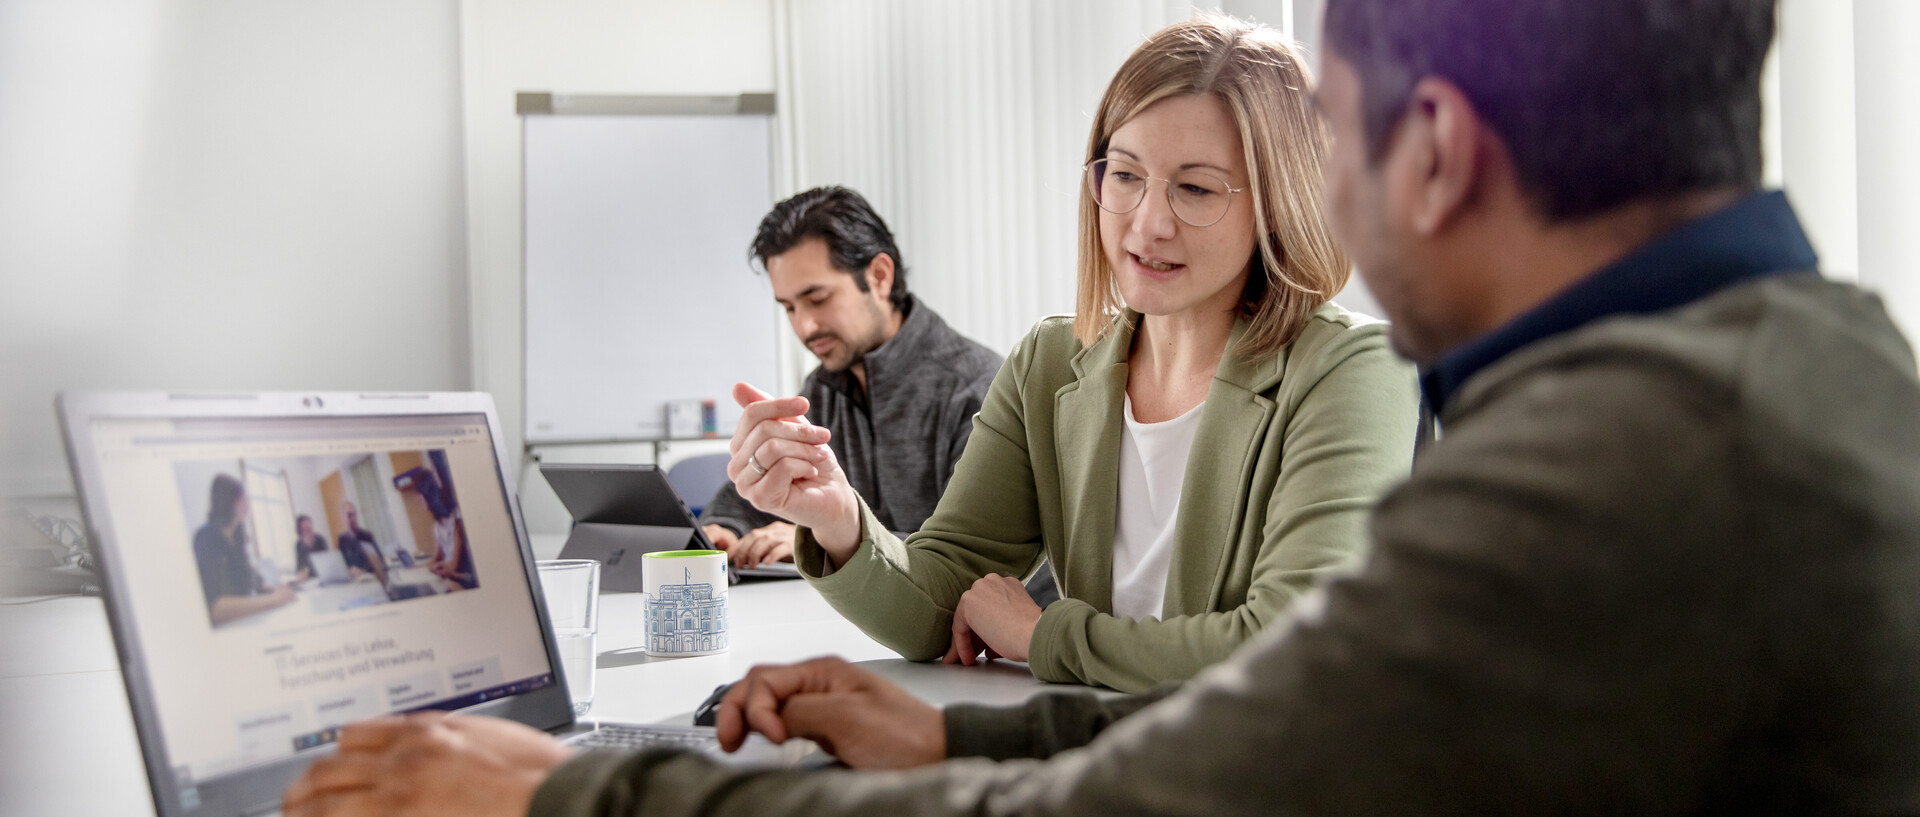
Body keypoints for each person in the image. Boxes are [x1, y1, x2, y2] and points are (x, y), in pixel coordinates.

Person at [283, 4, 1920, 815]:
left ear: (1431, 149)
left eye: (1328, 140)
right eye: (1124, 177)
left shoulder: (1627, 472)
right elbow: (1302, 733)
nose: (1145, 219)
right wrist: (955, 714)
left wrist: (569, 790)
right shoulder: (1800, 371)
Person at [725, 16, 1418, 693]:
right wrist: (838, 517)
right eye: (1124, 175)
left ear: (1277, 203)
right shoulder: (1052, 360)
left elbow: (1295, 647)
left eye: (1197, 188)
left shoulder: (1352, 369)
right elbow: (943, 596)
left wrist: (1043, 635)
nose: (1147, 222)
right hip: (1090, 755)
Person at [697, 186, 1007, 574]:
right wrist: (724, 528)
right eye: (789, 307)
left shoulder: (978, 388)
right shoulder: (824, 390)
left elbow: (974, 554)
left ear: (879, 276)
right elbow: (747, 498)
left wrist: (820, 538)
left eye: (818, 298)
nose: (804, 326)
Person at [190, 473, 294, 626]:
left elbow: (250, 578)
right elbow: (215, 608)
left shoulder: (237, 538)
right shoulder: (206, 537)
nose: (247, 505)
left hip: (246, 621)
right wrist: (273, 599)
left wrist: (275, 589)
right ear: (230, 502)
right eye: (243, 499)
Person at [337, 501, 388, 588]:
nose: (353, 518)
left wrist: (362, 570)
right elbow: (342, 562)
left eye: (354, 515)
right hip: (352, 581)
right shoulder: (342, 539)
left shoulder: (366, 536)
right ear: (343, 517)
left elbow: (379, 561)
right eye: (349, 515)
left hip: (369, 578)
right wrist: (349, 570)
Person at [291, 514, 339, 581]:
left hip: (322, 577)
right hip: (308, 580)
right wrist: (299, 574)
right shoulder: (298, 544)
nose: (306, 532)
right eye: (303, 529)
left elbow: (327, 563)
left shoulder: (320, 540)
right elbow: (299, 566)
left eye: (308, 528)